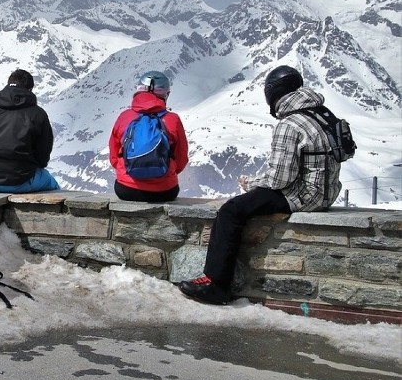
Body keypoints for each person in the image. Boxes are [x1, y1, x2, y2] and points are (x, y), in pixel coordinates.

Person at [179, 65, 343, 305]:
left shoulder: (290, 124)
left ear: (273, 93)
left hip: (303, 195)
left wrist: (251, 184)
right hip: (328, 193)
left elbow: (279, 180)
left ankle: (216, 284)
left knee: (231, 210)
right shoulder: (323, 116)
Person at [0, 69, 60, 193]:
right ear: (30, 89)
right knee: (52, 184)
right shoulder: (38, 114)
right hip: (19, 180)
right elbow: (43, 158)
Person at [108, 71, 189, 202]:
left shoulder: (125, 117)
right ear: (166, 94)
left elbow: (114, 157)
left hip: (127, 189)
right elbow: (181, 159)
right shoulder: (172, 119)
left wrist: (127, 171)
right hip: (165, 191)